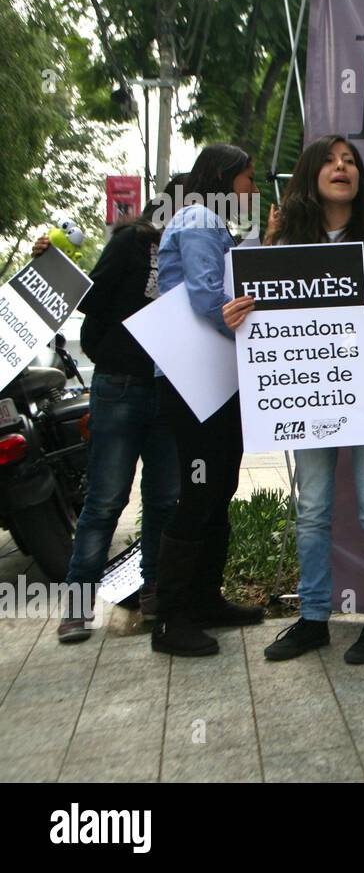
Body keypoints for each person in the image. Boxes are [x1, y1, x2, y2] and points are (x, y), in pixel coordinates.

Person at [251, 136, 364, 664]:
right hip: (307, 397)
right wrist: (240, 315)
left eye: (349, 161)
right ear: (311, 174)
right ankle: (313, 619)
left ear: (359, 176)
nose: (341, 167)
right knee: (312, 511)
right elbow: (263, 316)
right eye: (329, 160)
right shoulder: (284, 240)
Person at [51, 177, 186, 642]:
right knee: (106, 499)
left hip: (170, 389)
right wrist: (52, 267)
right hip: (121, 385)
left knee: (165, 499)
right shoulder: (133, 241)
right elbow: (92, 297)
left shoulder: (202, 250)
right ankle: (76, 607)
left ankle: (154, 594)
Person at [151, 145, 266, 657]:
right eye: (247, 177)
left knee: (219, 484)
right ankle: (171, 617)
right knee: (200, 490)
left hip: (211, 380)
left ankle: (205, 599)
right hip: (190, 380)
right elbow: (205, 297)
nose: (253, 189)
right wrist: (256, 322)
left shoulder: (211, 221)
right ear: (223, 176)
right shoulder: (197, 218)